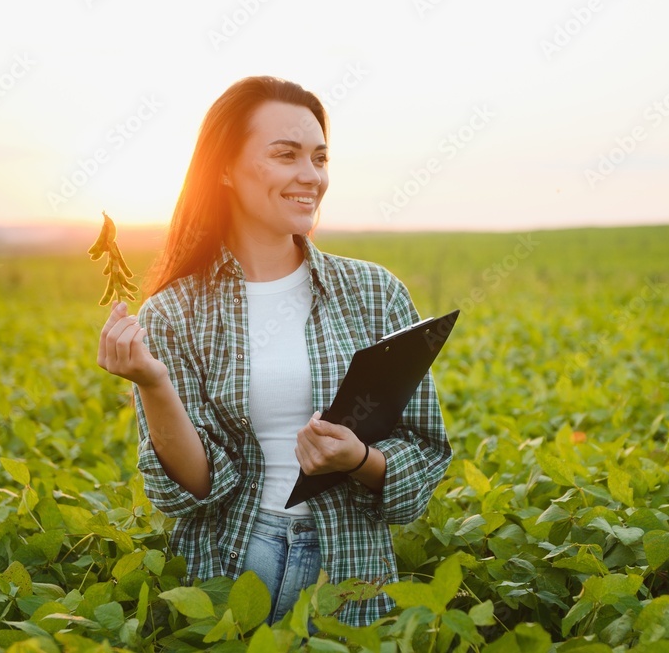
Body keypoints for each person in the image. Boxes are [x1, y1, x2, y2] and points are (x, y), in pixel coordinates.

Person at [96, 75, 452, 627]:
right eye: (285, 156)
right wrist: (152, 382)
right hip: (234, 566)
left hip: (351, 574)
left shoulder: (375, 293)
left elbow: (424, 456)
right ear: (225, 169)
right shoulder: (175, 311)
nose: (310, 177)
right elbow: (189, 491)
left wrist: (357, 460)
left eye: (319, 158)